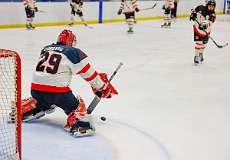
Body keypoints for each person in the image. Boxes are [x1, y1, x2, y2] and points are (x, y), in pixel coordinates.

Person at [21, 29, 118, 137]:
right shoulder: (73, 51)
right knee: (77, 105)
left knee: (44, 99)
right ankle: (80, 124)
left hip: (35, 91)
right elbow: (90, 75)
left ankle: (31, 108)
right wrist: (102, 87)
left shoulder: (46, 49)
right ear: (72, 41)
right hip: (58, 94)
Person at [189, 0, 216, 65]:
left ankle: (201, 53)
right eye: (210, 6)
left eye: (213, 6)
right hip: (197, 28)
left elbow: (209, 23)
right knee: (199, 43)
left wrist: (204, 25)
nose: (211, 7)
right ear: (207, 5)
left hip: (206, 31)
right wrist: (192, 14)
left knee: (204, 44)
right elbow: (193, 9)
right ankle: (196, 56)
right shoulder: (200, 7)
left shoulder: (213, 15)